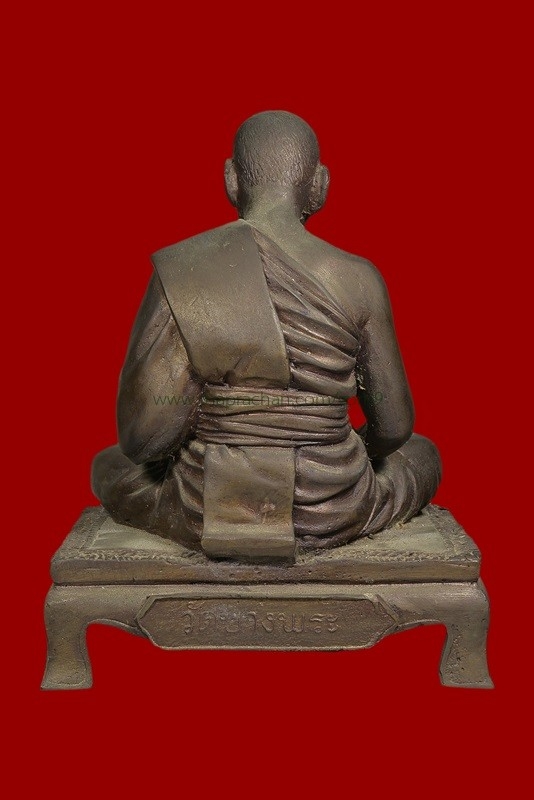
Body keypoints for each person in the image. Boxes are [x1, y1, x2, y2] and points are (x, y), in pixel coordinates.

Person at [92, 111, 441, 563]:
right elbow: (394, 428)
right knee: (422, 454)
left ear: (231, 180)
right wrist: (335, 448)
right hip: (331, 505)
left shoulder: (186, 269)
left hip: (206, 502)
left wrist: (224, 426)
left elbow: (143, 438)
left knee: (109, 465)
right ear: (319, 185)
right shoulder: (360, 279)